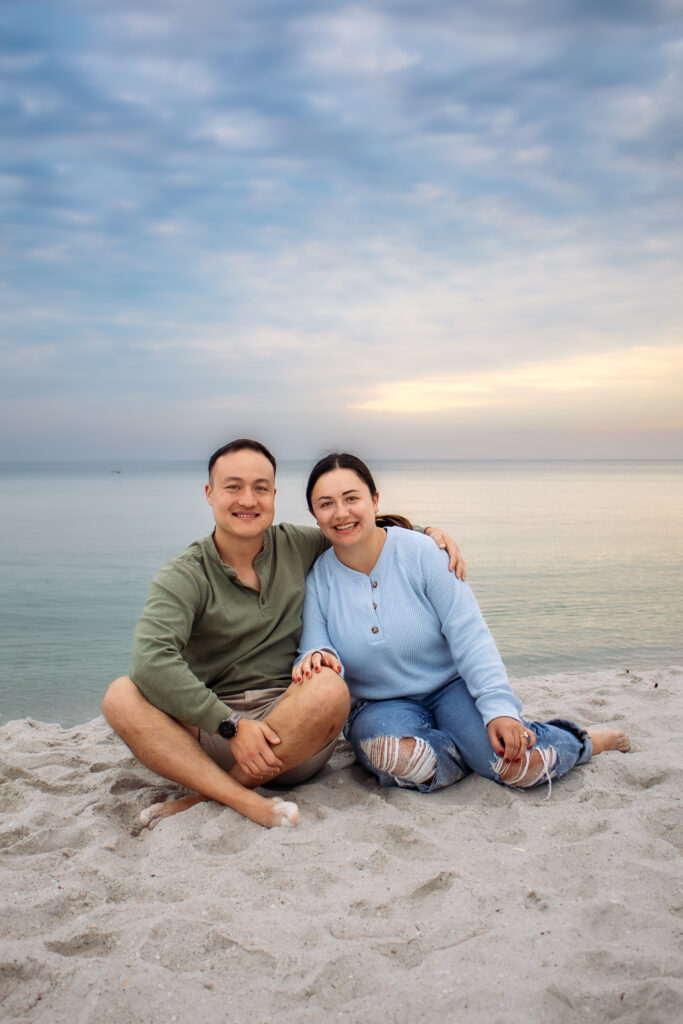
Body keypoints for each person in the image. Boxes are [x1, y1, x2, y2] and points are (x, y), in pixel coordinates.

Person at [102, 439, 464, 829]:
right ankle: (244, 799)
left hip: (292, 733)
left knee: (329, 685)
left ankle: (208, 796)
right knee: (121, 695)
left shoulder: (295, 544)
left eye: (260, 488)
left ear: (273, 495)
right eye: (233, 487)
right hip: (213, 733)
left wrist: (427, 531)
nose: (248, 499)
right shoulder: (184, 575)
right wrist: (230, 725)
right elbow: (151, 661)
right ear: (210, 494)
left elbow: (356, 530)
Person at [294, 453, 630, 795]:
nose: (341, 512)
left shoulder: (423, 553)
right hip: (378, 707)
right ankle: (467, 754)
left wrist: (500, 709)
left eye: (352, 498)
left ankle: (581, 741)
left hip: (451, 688)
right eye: (326, 504)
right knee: (396, 755)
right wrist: (316, 657)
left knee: (519, 768)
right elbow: (314, 649)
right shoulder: (319, 579)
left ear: (375, 500)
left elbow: (470, 635)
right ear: (315, 515)